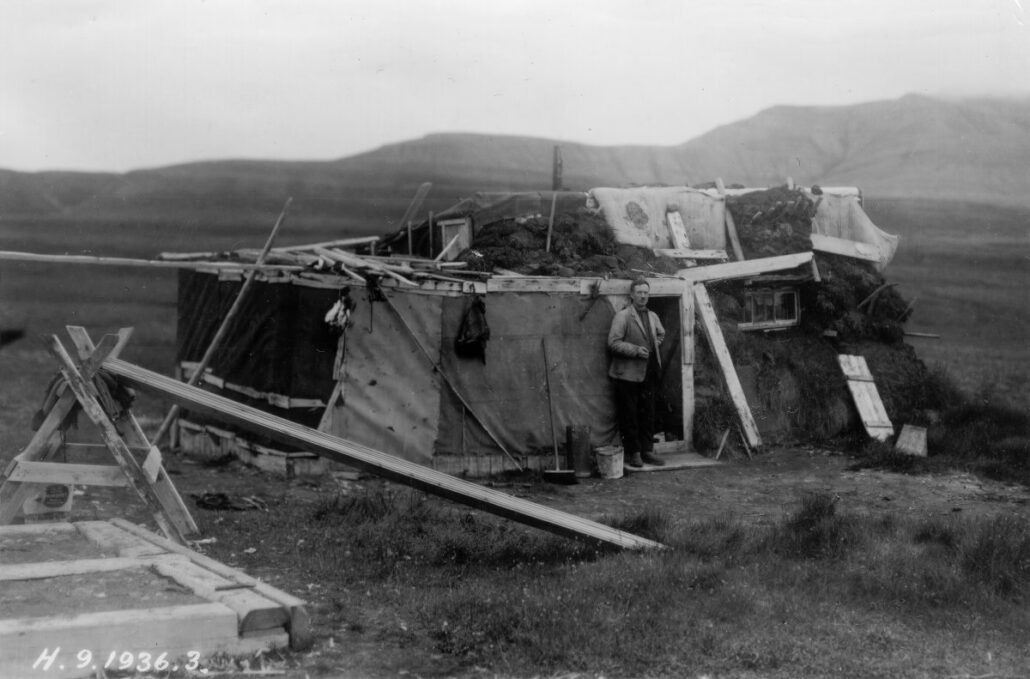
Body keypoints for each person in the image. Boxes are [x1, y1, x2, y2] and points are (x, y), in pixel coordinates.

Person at [607, 278, 665, 468]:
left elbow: (661, 333)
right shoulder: (623, 316)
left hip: (648, 372)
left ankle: (647, 451)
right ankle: (634, 453)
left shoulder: (653, 316)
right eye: (639, 292)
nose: (643, 296)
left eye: (646, 293)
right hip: (627, 375)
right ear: (631, 295)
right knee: (629, 415)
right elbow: (613, 343)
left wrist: (654, 343)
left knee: (648, 413)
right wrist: (635, 350)